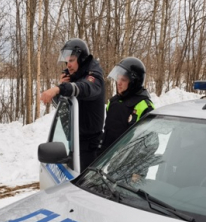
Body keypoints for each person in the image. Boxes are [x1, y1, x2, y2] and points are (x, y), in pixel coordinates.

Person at [40, 38, 105, 171]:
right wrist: (61, 89)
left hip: (90, 149)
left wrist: (59, 89)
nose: (68, 65)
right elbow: (63, 107)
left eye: (71, 60)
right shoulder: (75, 76)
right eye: (66, 61)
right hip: (74, 143)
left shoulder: (94, 76)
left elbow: (86, 88)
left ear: (81, 59)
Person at [99, 57, 155, 153]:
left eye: (123, 80)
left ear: (134, 82)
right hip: (106, 160)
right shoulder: (113, 102)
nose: (118, 83)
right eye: (118, 79)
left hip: (129, 164)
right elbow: (108, 132)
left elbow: (150, 145)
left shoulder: (145, 106)